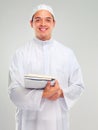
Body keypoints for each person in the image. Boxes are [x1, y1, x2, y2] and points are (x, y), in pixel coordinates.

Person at [8, 4, 84, 130]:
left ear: (54, 23)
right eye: (38, 20)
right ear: (31, 23)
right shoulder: (20, 54)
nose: (43, 24)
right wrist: (43, 94)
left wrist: (60, 93)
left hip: (57, 121)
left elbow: (78, 86)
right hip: (28, 122)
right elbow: (14, 91)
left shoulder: (67, 53)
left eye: (47, 19)